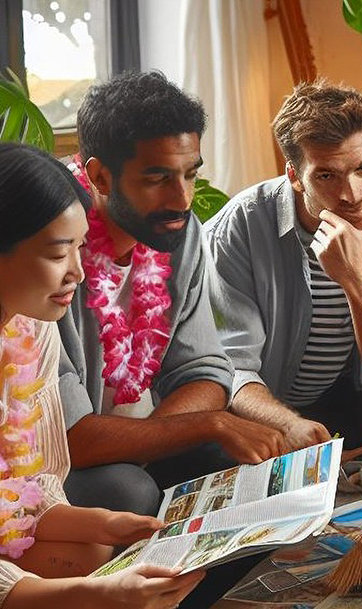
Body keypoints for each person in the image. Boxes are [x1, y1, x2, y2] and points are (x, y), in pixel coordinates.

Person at [58, 71, 287, 517]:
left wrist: (147, 440)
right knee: (128, 490)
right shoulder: (52, 250)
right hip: (54, 463)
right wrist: (208, 424)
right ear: (100, 177)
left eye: (189, 174)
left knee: (250, 470)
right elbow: (71, 438)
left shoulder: (177, 235)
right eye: (157, 178)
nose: (182, 199)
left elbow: (204, 373)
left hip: (136, 442)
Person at [0, 143, 203, 608]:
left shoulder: (32, 331)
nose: (77, 272)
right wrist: (95, 592)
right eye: (56, 254)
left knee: (97, 546)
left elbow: (29, 491)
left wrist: (111, 524)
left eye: (79, 249)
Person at [204, 80, 362, 451]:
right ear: (294, 176)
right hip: (266, 407)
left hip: (351, 398)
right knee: (203, 447)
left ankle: (351, 473)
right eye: (326, 175)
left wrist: (354, 278)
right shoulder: (237, 228)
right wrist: (289, 424)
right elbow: (233, 369)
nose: (352, 194)